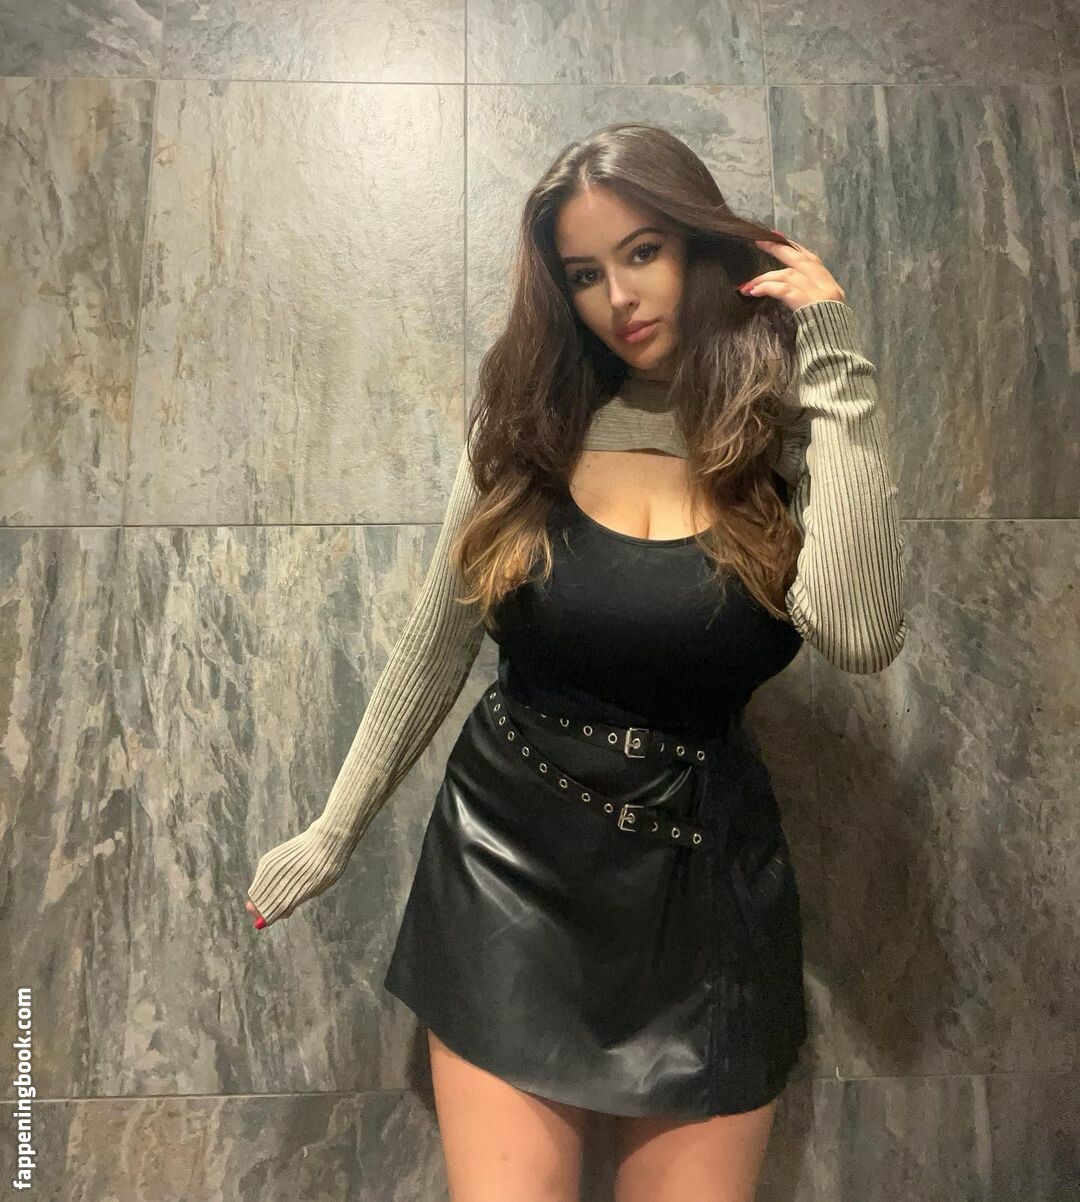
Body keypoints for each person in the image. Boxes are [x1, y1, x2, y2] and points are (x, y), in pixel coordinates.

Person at [245, 122, 906, 1201]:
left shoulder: (784, 437)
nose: (618, 298)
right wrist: (333, 829)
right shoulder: (528, 426)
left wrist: (833, 367)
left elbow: (861, 632)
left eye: (643, 252)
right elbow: (435, 645)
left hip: (703, 883)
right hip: (508, 867)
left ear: (701, 248)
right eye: (585, 273)